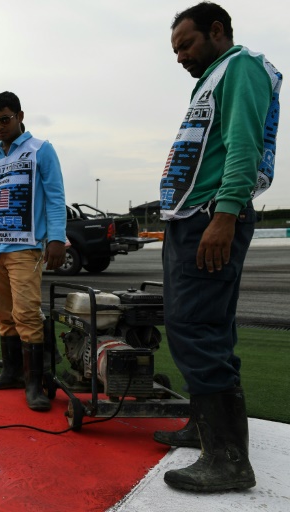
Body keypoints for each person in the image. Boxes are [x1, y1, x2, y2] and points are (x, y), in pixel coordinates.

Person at [154, 2, 281, 493]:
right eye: (175, 49)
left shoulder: (240, 67)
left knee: (196, 329)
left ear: (217, 30)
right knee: (203, 328)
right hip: (192, 217)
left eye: (185, 44)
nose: (180, 56)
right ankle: (205, 430)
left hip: (211, 217)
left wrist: (225, 213)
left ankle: (228, 459)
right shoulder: (212, 77)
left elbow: (244, 144)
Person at [0, 92, 66, 412]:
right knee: (4, 316)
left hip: (25, 247)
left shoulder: (41, 151)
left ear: (20, 115)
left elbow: (55, 197)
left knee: (27, 315)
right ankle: (11, 371)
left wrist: (57, 239)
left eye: (4, 120)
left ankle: (34, 383)